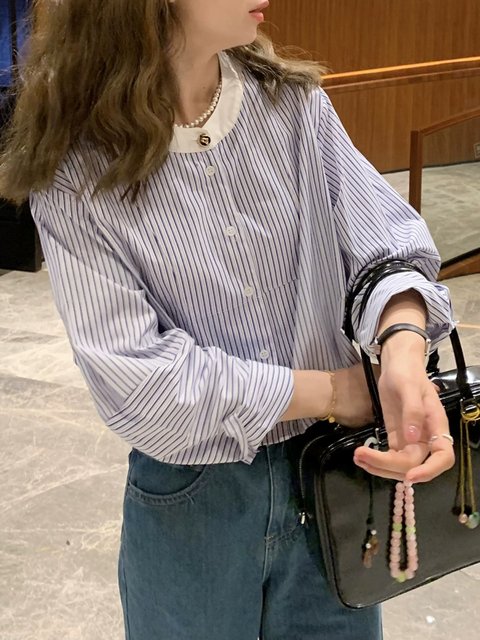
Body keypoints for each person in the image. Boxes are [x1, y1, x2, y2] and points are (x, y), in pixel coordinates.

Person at [0, 1, 456, 638]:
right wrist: (333, 391)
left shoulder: (292, 106)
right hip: (194, 500)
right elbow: (136, 381)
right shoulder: (77, 165)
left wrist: (402, 350)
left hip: (334, 476)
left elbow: (386, 245)